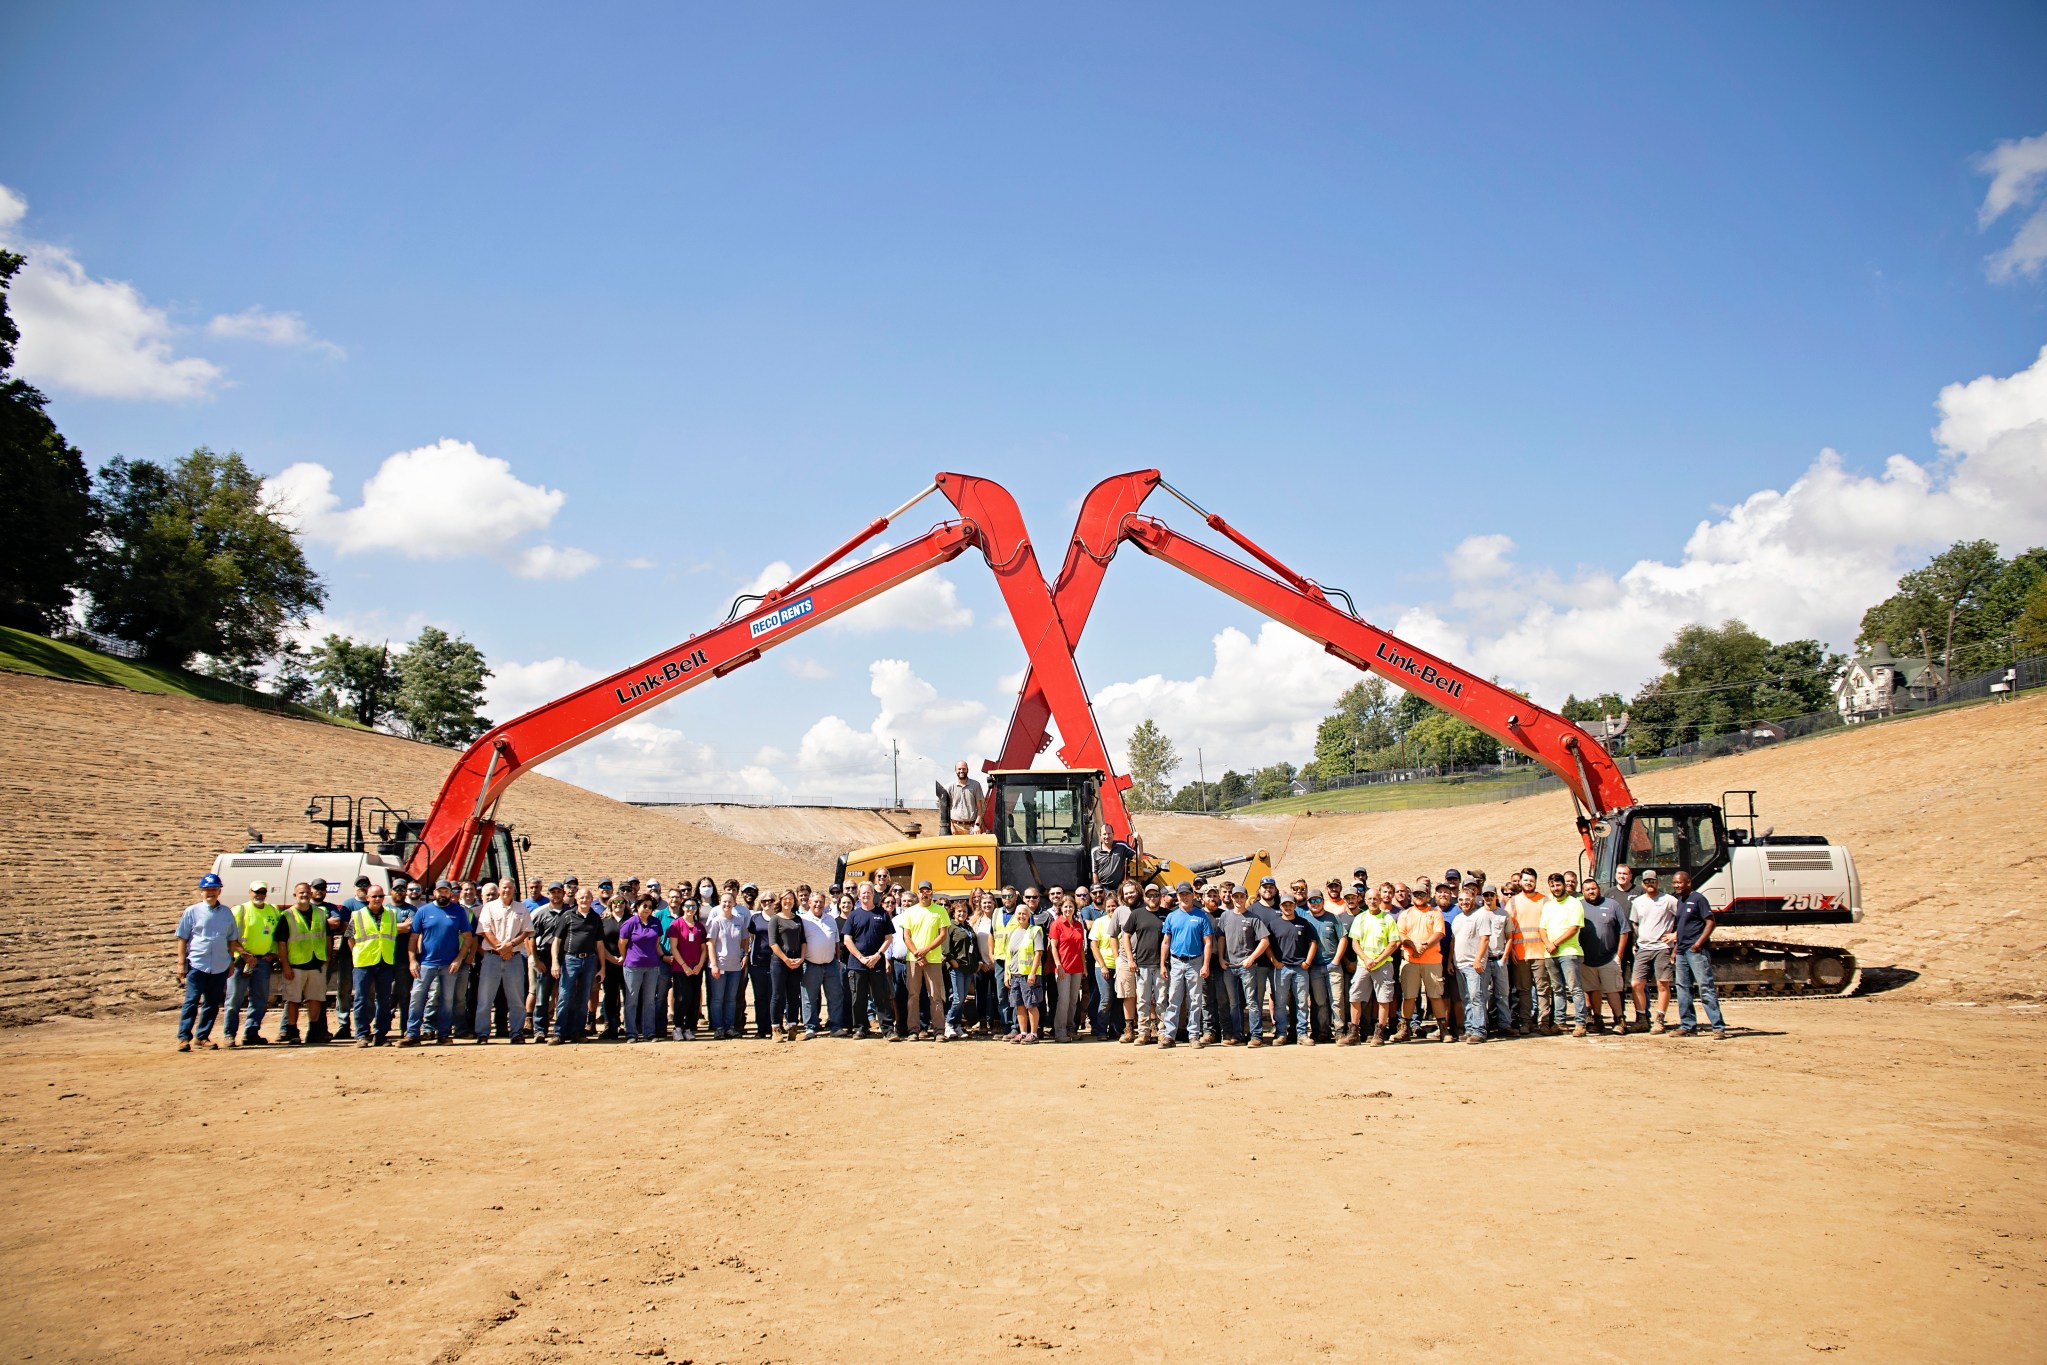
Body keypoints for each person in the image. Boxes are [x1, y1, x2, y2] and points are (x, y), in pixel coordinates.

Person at [402, 880, 472, 1046]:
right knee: (417, 997)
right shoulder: (423, 911)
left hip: (449, 965)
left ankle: (443, 1034)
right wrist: (412, 960)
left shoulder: (458, 911)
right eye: (440, 891)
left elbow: (468, 938)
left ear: (450, 893)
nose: (443, 894)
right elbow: (413, 938)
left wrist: (458, 959)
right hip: (426, 964)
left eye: (446, 891)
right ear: (434, 893)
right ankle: (412, 1034)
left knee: (447, 1000)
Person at [175, 873, 239, 1050]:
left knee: (212, 1003)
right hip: (197, 964)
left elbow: (231, 939)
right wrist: (181, 963)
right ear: (201, 891)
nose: (210, 893)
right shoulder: (192, 911)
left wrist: (231, 961)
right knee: (191, 1001)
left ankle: (202, 1036)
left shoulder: (226, 913)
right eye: (207, 889)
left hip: (219, 965)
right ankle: (184, 1037)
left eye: (214, 889)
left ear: (219, 891)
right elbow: (182, 938)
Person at [472, 882, 532, 1043]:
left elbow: (526, 931)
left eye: (510, 888)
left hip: (514, 958)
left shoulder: (521, 908)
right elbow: (485, 930)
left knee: (517, 999)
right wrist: (501, 949)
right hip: (492, 957)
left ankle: (516, 1033)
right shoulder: (489, 907)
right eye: (504, 887)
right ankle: (483, 1033)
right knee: (485, 998)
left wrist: (510, 946)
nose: (507, 890)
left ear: (514, 890)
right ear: (499, 889)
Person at [225, 880, 284, 1047]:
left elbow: (277, 935)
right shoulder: (240, 910)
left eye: (263, 892)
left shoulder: (273, 910)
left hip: (263, 961)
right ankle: (229, 1034)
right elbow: (230, 937)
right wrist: (244, 954)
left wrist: (273, 954)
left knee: (260, 999)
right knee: (234, 999)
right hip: (241, 962)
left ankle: (251, 1033)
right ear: (250, 892)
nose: (260, 895)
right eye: (257, 892)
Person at [1671, 870, 1727, 1038]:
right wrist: (1675, 949)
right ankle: (1687, 1025)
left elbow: (1710, 922)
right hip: (1681, 951)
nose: (1676, 885)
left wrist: (1698, 944)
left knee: (1705, 987)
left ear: (1688, 883)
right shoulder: (1680, 901)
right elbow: (1681, 928)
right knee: (1682, 989)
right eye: (1674, 883)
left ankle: (1718, 1027)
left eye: (1679, 882)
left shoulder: (1698, 899)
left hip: (1695, 951)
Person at [1395, 883, 1451, 1043]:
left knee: (1435, 996)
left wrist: (1424, 946)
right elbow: (1401, 934)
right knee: (1409, 996)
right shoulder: (1405, 914)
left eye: (1422, 894)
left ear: (1428, 896)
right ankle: (1404, 1029)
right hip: (1410, 960)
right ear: (1411, 896)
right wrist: (1413, 946)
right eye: (1416, 894)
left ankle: (1443, 1029)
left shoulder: (1435, 914)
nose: (1419, 897)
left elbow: (1439, 933)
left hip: (1432, 961)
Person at [841, 882, 897, 1040]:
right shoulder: (853, 915)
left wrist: (877, 956)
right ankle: (860, 1028)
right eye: (863, 893)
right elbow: (847, 940)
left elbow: (888, 938)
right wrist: (861, 958)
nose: (866, 895)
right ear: (859, 895)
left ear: (873, 894)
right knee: (858, 998)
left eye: (869, 892)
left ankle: (887, 1030)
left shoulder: (882, 914)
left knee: (881, 998)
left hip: (877, 963)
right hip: (857, 964)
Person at [1346, 886, 1400, 1046]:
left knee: (1383, 998)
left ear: (1380, 900)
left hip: (1383, 964)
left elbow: (1393, 943)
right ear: (1365, 900)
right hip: (1364, 964)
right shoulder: (1360, 918)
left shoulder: (1388, 919)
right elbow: (1355, 943)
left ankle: (1379, 1032)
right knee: (1355, 996)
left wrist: (1377, 960)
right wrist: (1366, 959)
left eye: (1375, 899)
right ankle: (1354, 1031)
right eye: (1369, 899)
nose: (1372, 901)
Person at [345, 884, 398, 1046]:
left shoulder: (391, 914)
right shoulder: (357, 915)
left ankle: (380, 1035)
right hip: (364, 962)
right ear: (367, 898)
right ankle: (362, 1035)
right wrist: (357, 954)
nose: (377, 899)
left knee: (384, 1000)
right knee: (361, 999)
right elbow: (350, 937)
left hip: (385, 961)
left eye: (380, 896)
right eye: (374, 896)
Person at [279, 881, 330, 1046]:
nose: (304, 895)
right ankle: (292, 1032)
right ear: (295, 895)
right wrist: (285, 966)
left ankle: (313, 1032)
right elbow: (281, 943)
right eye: (301, 892)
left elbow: (327, 937)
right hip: (295, 965)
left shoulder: (320, 914)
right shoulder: (287, 915)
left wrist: (327, 960)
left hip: (316, 965)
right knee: (293, 1000)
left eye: (307, 892)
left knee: (315, 999)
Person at [1576, 877, 1630, 1033]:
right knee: (1592, 990)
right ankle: (1597, 1019)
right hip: (1586, 959)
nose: (1591, 892)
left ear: (1599, 889)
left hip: (1609, 958)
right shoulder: (1578, 907)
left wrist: (1619, 955)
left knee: (1612, 990)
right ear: (1583, 892)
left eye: (1593, 888)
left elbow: (1624, 931)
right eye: (1587, 890)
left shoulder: (1612, 905)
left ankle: (1619, 1020)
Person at [1629, 869, 1678, 1033]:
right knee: (1636, 984)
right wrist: (1637, 940)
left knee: (1662, 983)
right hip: (1644, 947)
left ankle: (1659, 1019)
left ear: (1658, 882)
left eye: (1652, 881)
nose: (1650, 884)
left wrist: (1675, 935)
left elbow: (1685, 918)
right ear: (1642, 884)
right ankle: (1642, 1018)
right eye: (1647, 881)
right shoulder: (1638, 902)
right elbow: (1635, 923)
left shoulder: (1668, 900)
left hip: (1662, 948)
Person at [1538, 873, 1587, 1037]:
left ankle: (1580, 1023)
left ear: (1564, 885)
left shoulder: (1574, 903)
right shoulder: (1548, 906)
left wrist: (1555, 944)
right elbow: (1542, 928)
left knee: (1575, 989)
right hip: (1550, 954)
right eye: (1552, 886)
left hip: (1569, 952)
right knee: (1557, 989)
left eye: (1558, 885)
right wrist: (1548, 944)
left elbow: (1574, 928)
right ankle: (1560, 1023)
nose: (1555, 888)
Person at [1265, 893, 1318, 1045]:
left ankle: (1302, 1034)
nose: (1287, 907)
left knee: (1301, 1003)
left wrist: (1307, 962)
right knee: (1280, 1003)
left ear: (1294, 905)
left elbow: (1313, 943)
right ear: (1280, 907)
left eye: (1290, 904)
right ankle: (1281, 1033)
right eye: (1284, 905)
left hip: (1300, 969)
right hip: (1282, 969)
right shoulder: (1274, 924)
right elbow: (1267, 945)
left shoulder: (1303, 923)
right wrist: (1275, 961)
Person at [1450, 884, 1500, 1043]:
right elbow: (1453, 941)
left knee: (1476, 997)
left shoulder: (1481, 915)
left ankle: (1480, 1030)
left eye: (1467, 899)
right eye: (1461, 900)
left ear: (1473, 899)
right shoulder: (1458, 919)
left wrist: (1478, 960)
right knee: (1466, 998)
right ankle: (1470, 1028)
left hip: (1473, 964)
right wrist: (1450, 961)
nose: (1464, 902)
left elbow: (1485, 939)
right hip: (1459, 964)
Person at [901, 881, 949, 1041]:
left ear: (931, 893)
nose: (924, 894)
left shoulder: (940, 911)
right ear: (918, 893)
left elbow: (943, 935)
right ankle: (913, 1030)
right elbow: (906, 936)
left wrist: (926, 950)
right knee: (913, 995)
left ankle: (939, 1031)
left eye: (927, 891)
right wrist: (917, 954)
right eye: (921, 891)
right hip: (913, 960)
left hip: (933, 959)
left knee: (935, 995)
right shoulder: (910, 912)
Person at [1119, 882, 1166, 1045]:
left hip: (1161, 965)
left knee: (1161, 1001)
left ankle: (1162, 1032)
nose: (1152, 898)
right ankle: (1143, 1033)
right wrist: (1130, 959)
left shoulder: (1167, 915)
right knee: (1143, 1001)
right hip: (1142, 964)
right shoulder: (1137, 915)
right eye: (1149, 895)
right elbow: (1125, 936)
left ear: (1160, 897)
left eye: (1155, 895)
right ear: (1144, 897)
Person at [619, 894, 666, 1042]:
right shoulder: (630, 923)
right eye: (644, 906)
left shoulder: (655, 922)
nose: (647, 909)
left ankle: (649, 1032)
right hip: (633, 967)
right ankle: (631, 1033)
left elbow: (656, 942)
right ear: (637, 906)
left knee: (649, 1001)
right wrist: (626, 957)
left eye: (650, 907)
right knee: (631, 1001)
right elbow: (622, 943)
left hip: (652, 966)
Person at [704, 887, 750, 1040]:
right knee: (717, 999)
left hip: (735, 967)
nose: (727, 904)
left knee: (731, 999)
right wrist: (714, 964)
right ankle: (718, 1028)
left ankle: (729, 1027)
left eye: (730, 902)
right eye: (724, 902)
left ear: (734, 903)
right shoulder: (716, 922)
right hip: (720, 965)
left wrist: (744, 954)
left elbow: (745, 940)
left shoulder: (739, 921)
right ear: (720, 903)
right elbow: (710, 943)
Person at [1509, 870, 1552, 1032]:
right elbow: (1508, 929)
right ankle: (1526, 1022)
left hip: (1541, 953)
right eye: (1526, 880)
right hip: (1520, 954)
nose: (1528, 883)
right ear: (1520, 882)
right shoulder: (1513, 902)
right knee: (1524, 991)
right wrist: (1511, 949)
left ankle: (1544, 1023)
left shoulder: (1545, 901)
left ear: (1536, 882)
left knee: (1543, 990)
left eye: (1531, 880)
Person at [800, 891, 846, 1038]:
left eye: (821, 902)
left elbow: (836, 941)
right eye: (815, 902)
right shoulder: (803, 920)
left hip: (830, 964)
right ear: (809, 903)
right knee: (809, 997)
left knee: (835, 996)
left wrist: (837, 960)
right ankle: (810, 1027)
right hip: (810, 964)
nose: (818, 904)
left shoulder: (830, 919)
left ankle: (835, 1026)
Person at [309, 877, 348, 1042]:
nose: (319, 891)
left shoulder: (330, 907)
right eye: (316, 888)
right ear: (311, 889)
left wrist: (314, 922)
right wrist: (325, 922)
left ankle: (319, 1030)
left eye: (322, 888)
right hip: (302, 957)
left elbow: (336, 922)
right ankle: (287, 1029)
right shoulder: (304, 907)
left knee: (320, 995)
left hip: (323, 957)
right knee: (294, 998)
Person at [666, 892, 707, 1040]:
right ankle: (678, 1027)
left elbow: (703, 949)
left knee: (694, 999)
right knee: (682, 998)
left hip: (696, 969)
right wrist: (684, 966)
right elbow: (673, 948)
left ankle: (689, 1028)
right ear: (683, 907)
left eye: (694, 906)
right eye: (688, 906)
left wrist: (699, 965)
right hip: (680, 969)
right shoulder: (676, 925)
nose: (691, 909)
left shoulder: (700, 927)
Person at [1046, 898, 1087, 1043]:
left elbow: (1081, 948)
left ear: (1074, 908)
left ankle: (1071, 1029)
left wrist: (1084, 967)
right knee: (1063, 1000)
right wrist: (1058, 965)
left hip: (1077, 967)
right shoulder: (1056, 924)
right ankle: (1060, 1031)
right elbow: (1053, 947)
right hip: (1063, 968)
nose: (1068, 909)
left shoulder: (1078, 925)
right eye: (1065, 907)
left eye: (1070, 906)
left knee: (1073, 1001)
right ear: (1061, 908)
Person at [1005, 902, 1046, 1043]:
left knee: (1031, 1005)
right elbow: (1008, 956)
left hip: (1028, 975)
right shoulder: (1012, 933)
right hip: (1015, 975)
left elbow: (1038, 953)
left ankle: (1033, 1033)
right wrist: (1007, 974)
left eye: (1024, 913)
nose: (1021, 916)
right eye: (1019, 914)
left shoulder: (1035, 931)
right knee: (1019, 1005)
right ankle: (1023, 1032)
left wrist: (1032, 973)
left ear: (1029, 915)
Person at [529, 882, 565, 1039]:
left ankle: (562, 1029)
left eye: (559, 892)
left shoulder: (570, 912)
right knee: (542, 996)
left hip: (566, 957)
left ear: (563, 894)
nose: (556, 895)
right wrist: (536, 960)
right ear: (548, 894)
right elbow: (531, 937)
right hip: (545, 958)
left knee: (565, 995)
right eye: (553, 892)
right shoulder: (541, 913)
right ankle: (540, 1030)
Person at [943, 901, 982, 1041]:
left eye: (964, 911)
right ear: (953, 913)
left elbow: (974, 946)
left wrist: (978, 961)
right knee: (957, 998)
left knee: (962, 999)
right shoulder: (950, 926)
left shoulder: (968, 927)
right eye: (959, 911)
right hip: (957, 968)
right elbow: (946, 948)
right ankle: (948, 1024)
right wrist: (953, 962)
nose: (962, 914)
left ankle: (957, 1025)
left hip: (969, 967)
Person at [1087, 893, 1121, 1041]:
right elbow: (1093, 946)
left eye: (1114, 906)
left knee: (1118, 999)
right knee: (1106, 999)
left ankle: (1115, 1029)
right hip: (1103, 966)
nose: (1111, 909)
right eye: (1108, 906)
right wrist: (1102, 966)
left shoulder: (1123, 921)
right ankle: (1101, 1029)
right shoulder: (1099, 922)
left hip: (1120, 966)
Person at [973, 893, 1002, 1036]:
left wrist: (994, 962)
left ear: (994, 903)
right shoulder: (975, 921)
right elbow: (973, 944)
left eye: (989, 902)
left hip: (996, 964)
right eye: (984, 903)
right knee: (981, 995)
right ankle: (982, 1023)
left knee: (997, 995)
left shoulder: (999, 919)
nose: (987, 905)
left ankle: (996, 1022)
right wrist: (981, 962)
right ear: (980, 904)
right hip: (981, 965)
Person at [1092, 827, 1143, 893]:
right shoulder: (1095, 851)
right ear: (1100, 835)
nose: (1107, 836)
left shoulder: (1122, 846)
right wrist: (1098, 890)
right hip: (1103, 889)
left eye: (1109, 834)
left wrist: (1140, 841)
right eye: (1104, 834)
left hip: (1118, 889)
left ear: (1113, 834)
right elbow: (1094, 872)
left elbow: (1138, 858)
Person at [943, 760, 984, 834]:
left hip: (972, 827)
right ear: (955, 770)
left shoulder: (976, 785)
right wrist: (951, 826)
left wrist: (977, 825)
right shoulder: (950, 787)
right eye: (959, 769)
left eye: (964, 769)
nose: (961, 771)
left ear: (967, 770)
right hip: (955, 828)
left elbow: (980, 808)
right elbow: (946, 809)